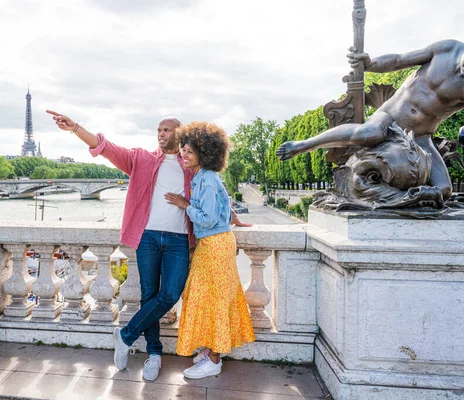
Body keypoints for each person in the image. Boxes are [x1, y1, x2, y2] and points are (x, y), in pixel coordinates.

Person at [46, 110, 251, 382]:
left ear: (182, 135)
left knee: (170, 294)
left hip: (179, 239)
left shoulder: (192, 165)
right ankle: (154, 353)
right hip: (149, 237)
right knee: (148, 293)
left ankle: (125, 335)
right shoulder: (141, 159)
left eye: (168, 130)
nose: (161, 133)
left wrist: (231, 215)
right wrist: (76, 128)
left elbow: (213, 193)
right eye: (159, 129)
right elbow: (105, 147)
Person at [276, 39, 464, 201]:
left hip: (421, 137)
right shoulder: (446, 49)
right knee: (369, 132)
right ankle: (303, 145)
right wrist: (370, 64)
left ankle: (408, 199)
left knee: (444, 190)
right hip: (391, 117)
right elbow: (399, 60)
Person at [165, 121, 255, 379]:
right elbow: (222, 205)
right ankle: (213, 349)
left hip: (214, 244)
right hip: (217, 243)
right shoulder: (206, 176)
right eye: (183, 149)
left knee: (212, 299)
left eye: (189, 151)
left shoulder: (204, 179)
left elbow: (205, 218)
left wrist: (184, 204)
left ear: (205, 153)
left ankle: (214, 358)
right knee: (213, 297)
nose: (183, 153)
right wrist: (232, 217)